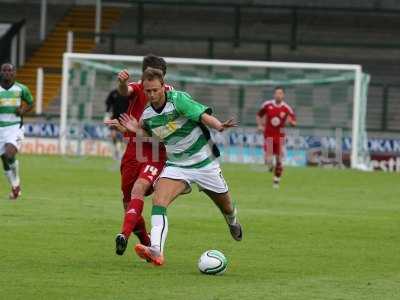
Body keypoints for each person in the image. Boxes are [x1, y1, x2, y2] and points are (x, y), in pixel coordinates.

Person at [118, 67, 243, 266]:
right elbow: (150, 139)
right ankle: (156, 250)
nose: (151, 95)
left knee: (226, 206)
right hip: (177, 165)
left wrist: (218, 125)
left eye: (155, 90)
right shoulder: (148, 115)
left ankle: (232, 221)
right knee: (159, 201)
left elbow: (201, 116)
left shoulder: (179, 100)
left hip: (204, 164)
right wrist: (135, 131)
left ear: (163, 86)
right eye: (148, 91)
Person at [105, 55, 173, 256]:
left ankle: (123, 234)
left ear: (163, 79)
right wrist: (122, 82)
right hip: (133, 150)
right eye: (146, 78)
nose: (149, 85)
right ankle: (147, 243)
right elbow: (125, 91)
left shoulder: (172, 96)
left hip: (154, 150)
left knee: (139, 188)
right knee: (128, 202)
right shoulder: (137, 87)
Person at [0, 62, 33, 199]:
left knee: (9, 154)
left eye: (10, 70)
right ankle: (15, 187)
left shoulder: (21, 89)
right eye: (5, 70)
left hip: (14, 127)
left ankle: (16, 181)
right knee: (4, 159)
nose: (7, 72)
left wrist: (23, 110)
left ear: (14, 73)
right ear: (1, 72)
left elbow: (30, 103)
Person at [256, 86, 296, 188]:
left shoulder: (287, 108)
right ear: (274, 95)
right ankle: (270, 166)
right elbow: (259, 115)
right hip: (268, 136)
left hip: (280, 137)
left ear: (283, 95)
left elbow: (294, 121)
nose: (278, 95)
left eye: (280, 93)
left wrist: (291, 122)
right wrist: (260, 125)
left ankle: (276, 181)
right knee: (268, 160)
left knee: (279, 159)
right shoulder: (267, 105)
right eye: (277, 93)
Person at [104, 89, 129, 160]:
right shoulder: (113, 93)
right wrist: (106, 115)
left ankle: (123, 151)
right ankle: (116, 150)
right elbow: (108, 104)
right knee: (113, 135)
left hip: (125, 118)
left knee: (125, 137)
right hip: (115, 118)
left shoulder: (128, 93)